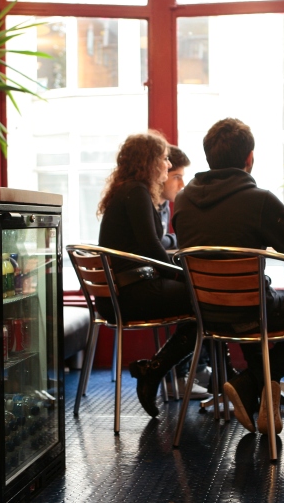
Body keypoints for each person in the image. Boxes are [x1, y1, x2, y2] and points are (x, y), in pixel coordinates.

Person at [173, 117, 284, 435]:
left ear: (209, 157)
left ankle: (253, 387)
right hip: (253, 313)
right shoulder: (259, 201)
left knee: (266, 300)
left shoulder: (182, 200)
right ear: (250, 157)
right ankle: (251, 382)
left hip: (205, 314)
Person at [95, 131, 197, 418]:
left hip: (118, 294)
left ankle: (155, 370)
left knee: (201, 298)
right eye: (164, 158)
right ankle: (154, 372)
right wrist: (182, 276)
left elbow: (149, 247)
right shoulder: (137, 191)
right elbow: (151, 246)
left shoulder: (126, 190)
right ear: (150, 162)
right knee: (206, 300)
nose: (168, 164)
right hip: (129, 295)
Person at [156, 147, 212, 400]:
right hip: (138, 286)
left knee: (201, 290)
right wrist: (175, 238)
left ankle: (198, 369)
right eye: (176, 176)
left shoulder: (164, 206)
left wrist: (171, 239)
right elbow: (158, 243)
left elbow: (164, 241)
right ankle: (178, 375)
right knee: (201, 295)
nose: (182, 185)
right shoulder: (144, 202)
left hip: (153, 276)